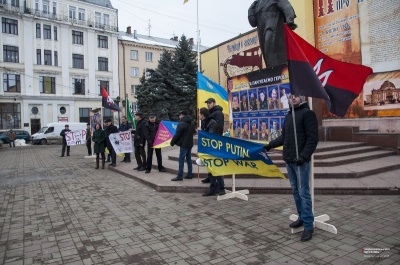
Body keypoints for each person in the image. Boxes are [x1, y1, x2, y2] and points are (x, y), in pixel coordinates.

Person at [264, 95, 318, 242]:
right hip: (289, 160)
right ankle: (301, 217)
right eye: (290, 96)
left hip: (300, 161)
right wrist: (270, 145)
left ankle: (308, 225)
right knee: (295, 191)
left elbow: (313, 138)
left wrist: (304, 156)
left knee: (303, 193)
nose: (293, 98)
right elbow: (284, 137)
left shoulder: (308, 114)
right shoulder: (289, 115)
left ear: (302, 98)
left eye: (296, 96)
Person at [248, 0, 297, 67]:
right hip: (261, 31)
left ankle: (276, 70)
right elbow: (253, 23)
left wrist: (290, 21)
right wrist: (250, 10)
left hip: (274, 26)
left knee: (270, 45)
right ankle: (271, 70)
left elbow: (287, 7)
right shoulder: (257, 3)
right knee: (266, 51)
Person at [199, 107, 225, 196]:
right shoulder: (205, 122)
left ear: (202, 115)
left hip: (214, 149)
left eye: (199, 113)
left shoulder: (211, 122)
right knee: (210, 170)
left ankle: (221, 188)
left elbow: (210, 136)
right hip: (208, 149)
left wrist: (201, 132)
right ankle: (213, 188)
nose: (198, 115)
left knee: (216, 169)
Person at [201, 98, 224, 184]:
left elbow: (219, 127)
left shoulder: (218, 113)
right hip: (210, 140)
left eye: (210, 103)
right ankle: (209, 176)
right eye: (207, 103)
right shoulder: (210, 112)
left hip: (215, 141)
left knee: (215, 162)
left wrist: (216, 139)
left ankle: (219, 183)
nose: (208, 104)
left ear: (214, 103)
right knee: (210, 161)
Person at [170, 111, 196, 181]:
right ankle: (190, 174)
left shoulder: (181, 123)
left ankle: (179, 176)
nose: (179, 116)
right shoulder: (192, 122)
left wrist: (172, 142)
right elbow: (194, 132)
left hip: (184, 144)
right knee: (188, 159)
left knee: (181, 159)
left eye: (180, 115)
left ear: (183, 115)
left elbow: (177, 134)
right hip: (190, 143)